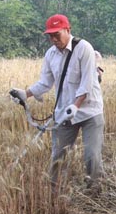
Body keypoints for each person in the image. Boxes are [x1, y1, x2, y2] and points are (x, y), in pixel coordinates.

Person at [11, 14, 104, 190]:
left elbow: (88, 83)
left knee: (92, 156)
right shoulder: (50, 54)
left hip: (90, 111)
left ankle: (95, 191)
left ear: (67, 30)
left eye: (57, 34)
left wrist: (76, 106)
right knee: (57, 156)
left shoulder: (84, 48)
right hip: (64, 112)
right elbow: (45, 83)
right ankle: (53, 193)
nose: (54, 39)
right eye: (50, 36)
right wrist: (26, 93)